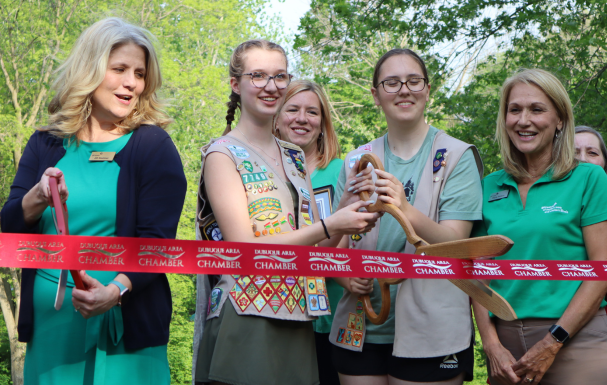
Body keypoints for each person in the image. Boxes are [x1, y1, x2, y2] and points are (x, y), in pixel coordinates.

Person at [0, 18, 187, 384]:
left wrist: (115, 291)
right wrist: (38, 196)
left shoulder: (153, 147)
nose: (131, 82)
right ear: (90, 69)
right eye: (119, 69)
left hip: (126, 336)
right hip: (51, 334)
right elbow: (9, 228)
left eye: (139, 73)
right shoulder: (46, 143)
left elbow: (158, 245)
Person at [193, 39, 380, 385]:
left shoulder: (294, 156)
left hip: (299, 316)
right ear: (236, 84)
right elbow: (245, 250)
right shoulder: (222, 155)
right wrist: (329, 223)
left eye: (280, 76)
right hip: (247, 313)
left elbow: (312, 255)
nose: (271, 86)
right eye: (258, 75)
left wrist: (346, 208)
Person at [330, 48, 483, 385]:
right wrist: (345, 277)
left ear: (427, 90)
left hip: (433, 331)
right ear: (375, 95)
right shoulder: (357, 160)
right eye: (392, 83)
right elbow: (334, 247)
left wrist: (405, 208)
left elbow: (457, 243)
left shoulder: (457, 156)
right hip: (361, 326)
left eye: (414, 81)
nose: (404, 90)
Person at [472, 69, 607, 385]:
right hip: (506, 351)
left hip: (577, 341)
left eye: (537, 109)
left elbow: (602, 269)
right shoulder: (487, 186)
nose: (524, 120)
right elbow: (476, 273)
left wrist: (553, 341)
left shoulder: (589, 179)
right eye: (515, 109)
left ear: (560, 120)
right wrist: (491, 344)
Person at [275, 79, 344, 385]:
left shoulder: (344, 171)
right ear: (276, 117)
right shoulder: (265, 175)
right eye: (292, 109)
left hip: (337, 319)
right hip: (282, 313)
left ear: (323, 122)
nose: (302, 118)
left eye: (312, 112)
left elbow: (363, 237)